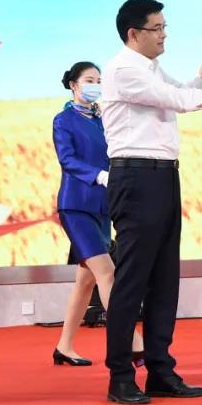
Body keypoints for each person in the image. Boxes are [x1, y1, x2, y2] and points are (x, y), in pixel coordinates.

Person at [101, 0, 202, 405]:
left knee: (164, 279)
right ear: (133, 34)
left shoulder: (151, 69)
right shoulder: (123, 70)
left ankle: (161, 370)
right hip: (136, 178)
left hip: (163, 177)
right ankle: (120, 376)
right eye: (157, 28)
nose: (164, 35)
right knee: (133, 281)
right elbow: (175, 100)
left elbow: (181, 92)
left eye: (165, 27)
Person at [51, 61, 143, 366]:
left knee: (85, 282)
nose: (96, 86)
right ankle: (133, 343)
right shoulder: (63, 120)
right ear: (74, 85)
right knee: (107, 273)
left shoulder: (102, 119)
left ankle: (64, 347)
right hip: (76, 206)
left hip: (103, 209)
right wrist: (99, 176)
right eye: (90, 80)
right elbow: (67, 159)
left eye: (99, 81)